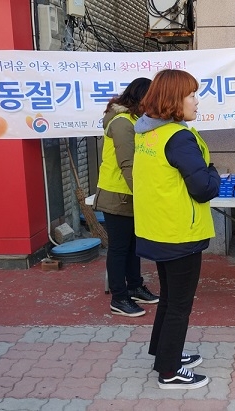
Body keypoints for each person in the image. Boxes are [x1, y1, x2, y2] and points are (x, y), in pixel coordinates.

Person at [133, 69, 220, 390]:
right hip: (179, 232)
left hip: (158, 229)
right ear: (174, 100)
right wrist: (213, 171)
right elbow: (203, 187)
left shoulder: (148, 133)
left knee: (169, 299)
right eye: (191, 95)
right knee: (178, 304)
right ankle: (169, 372)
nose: (196, 101)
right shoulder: (178, 137)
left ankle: (163, 353)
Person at [93, 77, 159, 318]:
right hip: (118, 194)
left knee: (133, 246)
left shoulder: (135, 120)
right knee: (120, 248)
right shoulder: (122, 123)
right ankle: (119, 298)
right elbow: (128, 164)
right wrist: (144, 195)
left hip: (131, 193)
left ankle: (134, 286)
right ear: (140, 97)